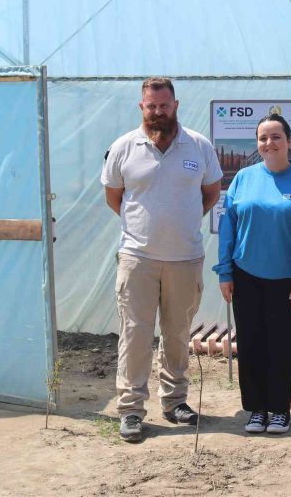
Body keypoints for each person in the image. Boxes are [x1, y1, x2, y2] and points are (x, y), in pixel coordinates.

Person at [101, 77, 223, 443]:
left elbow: (211, 193)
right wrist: (146, 228)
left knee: (177, 333)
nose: (158, 112)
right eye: (151, 106)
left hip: (185, 258)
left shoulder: (199, 146)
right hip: (137, 258)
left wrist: (181, 223)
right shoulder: (124, 147)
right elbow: (114, 198)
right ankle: (131, 409)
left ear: (175, 106)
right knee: (135, 333)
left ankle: (175, 401)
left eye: (164, 105)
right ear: (142, 107)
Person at [213, 113, 291, 435]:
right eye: (263, 138)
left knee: (283, 346)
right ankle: (256, 408)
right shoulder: (243, 178)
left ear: (289, 141)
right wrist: (225, 272)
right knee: (251, 344)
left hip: (287, 282)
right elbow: (228, 227)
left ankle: (280, 409)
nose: (269, 143)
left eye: (276, 137)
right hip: (246, 276)